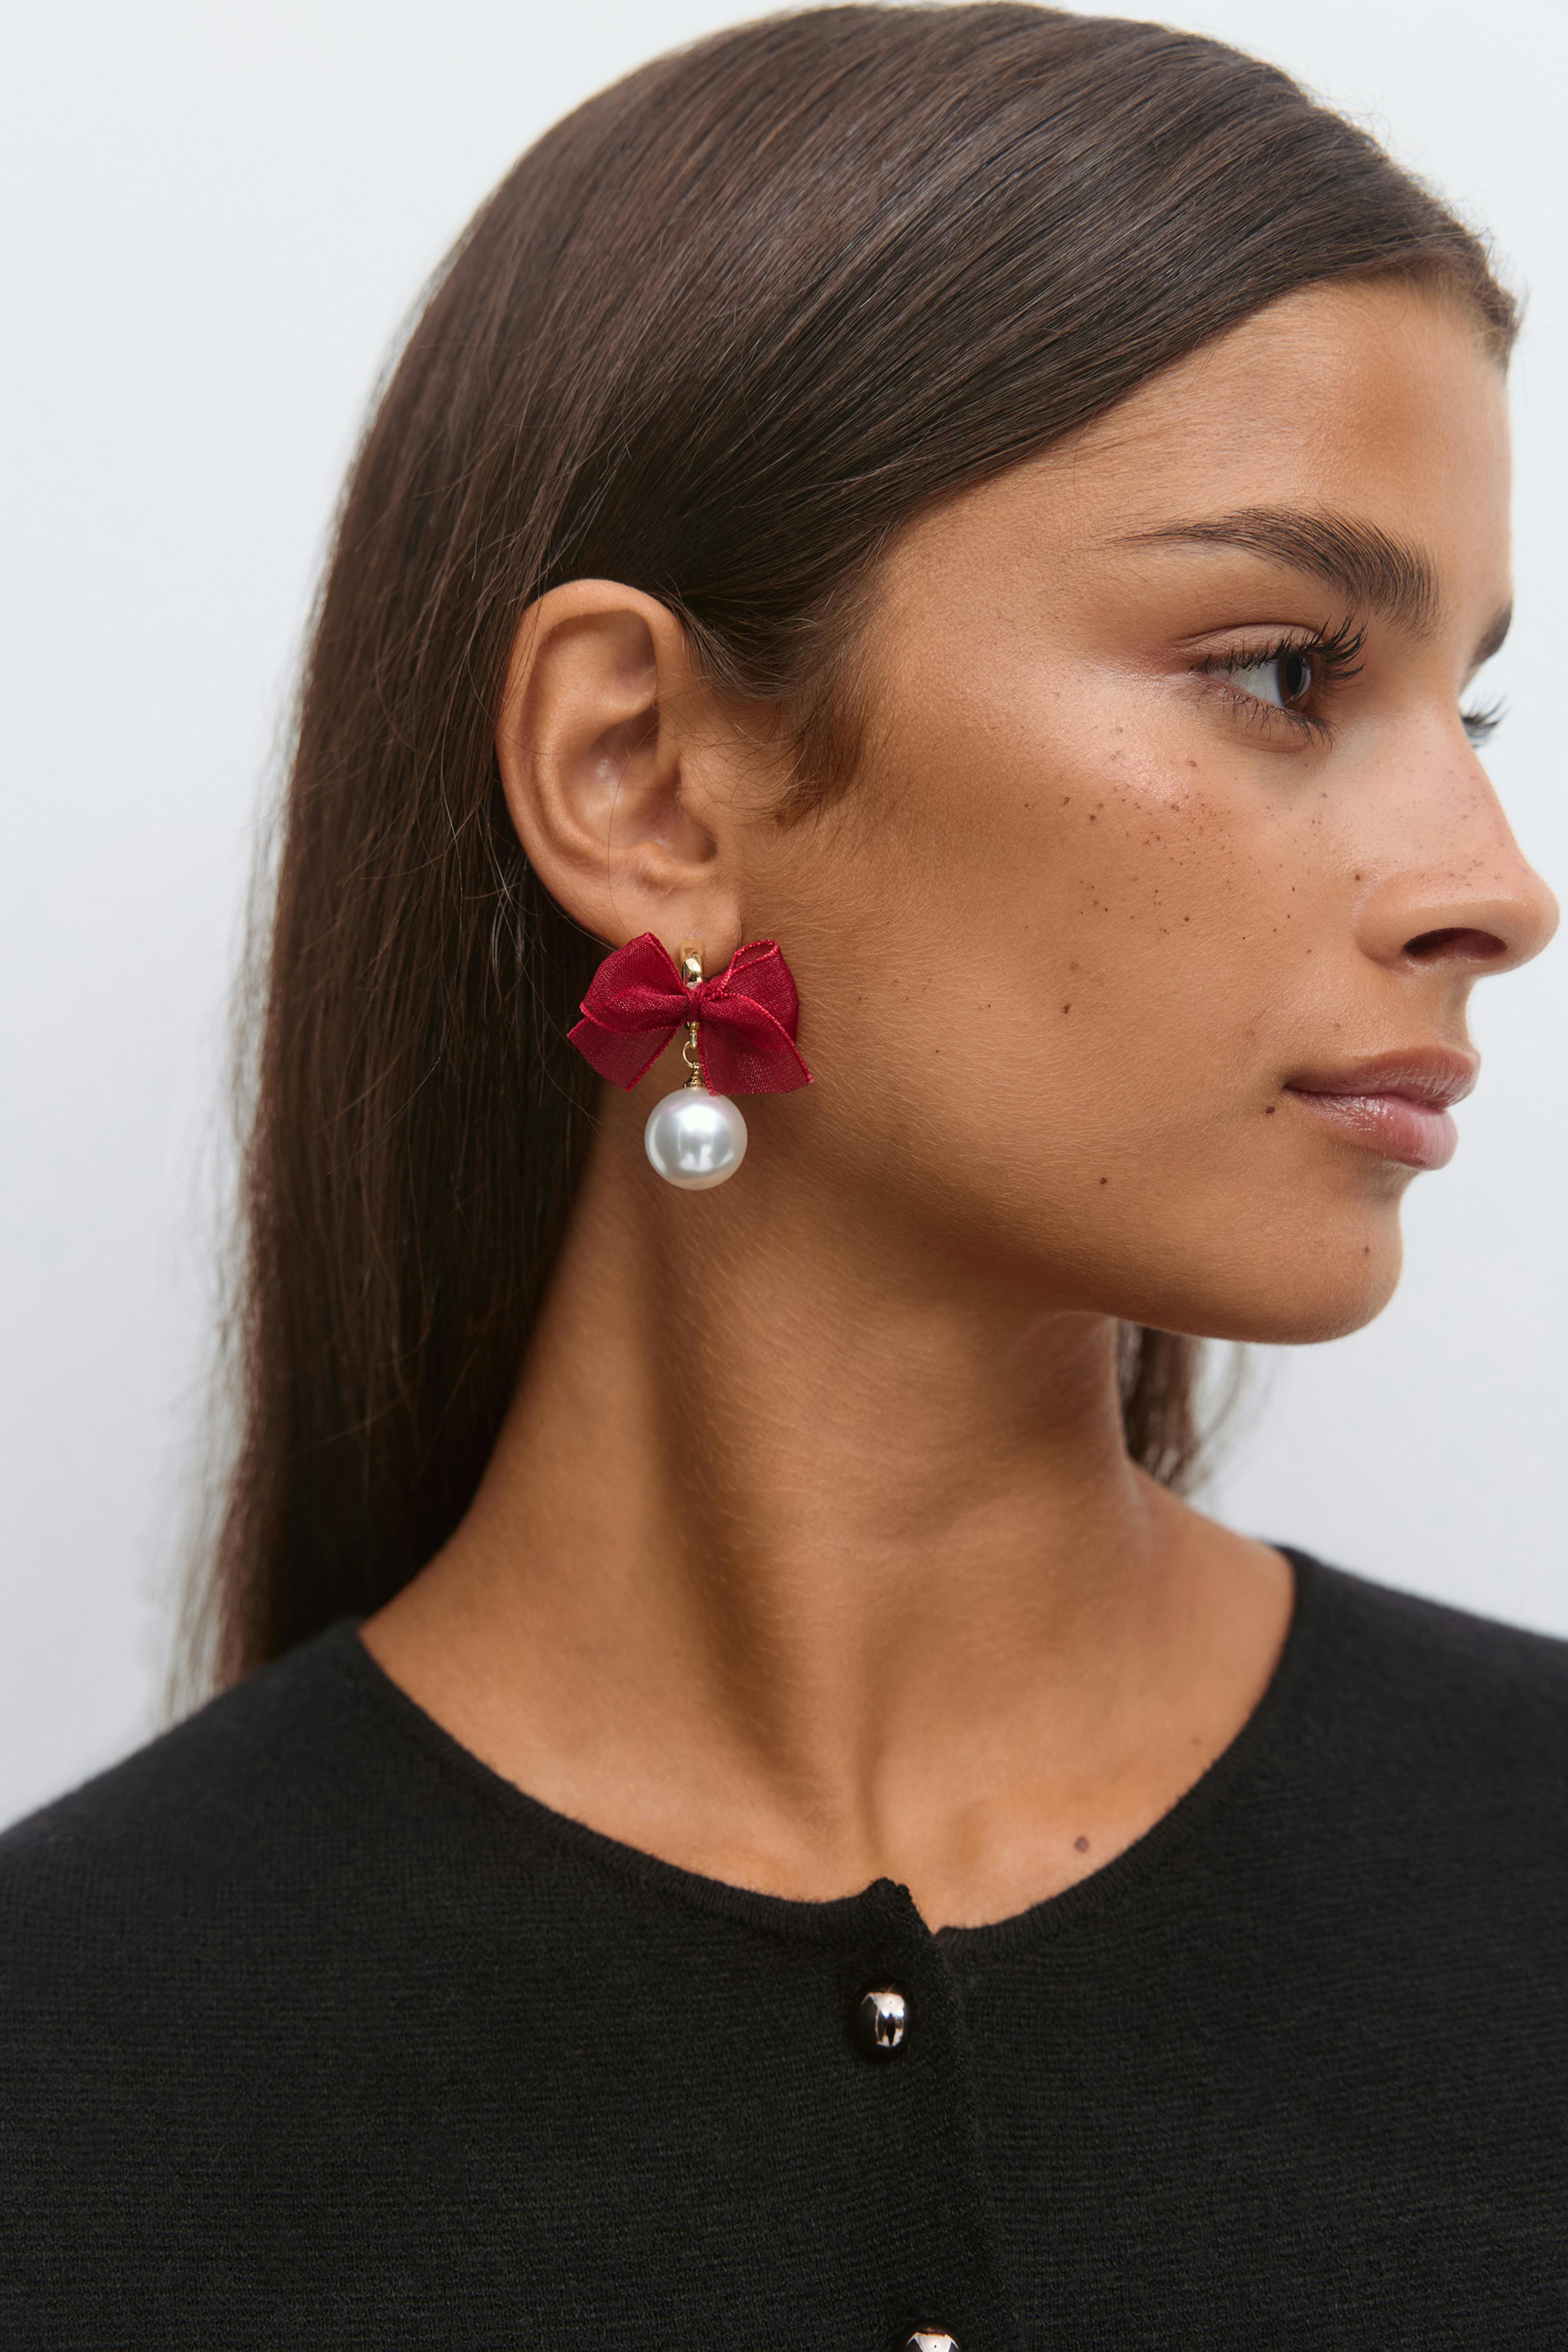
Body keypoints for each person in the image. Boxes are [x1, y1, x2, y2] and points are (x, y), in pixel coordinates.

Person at [3, 5, 1564, 2345]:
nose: (1495, 884)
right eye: (1279, 671)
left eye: (1472, 703)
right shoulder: (72, 2102)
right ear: (640, 777)